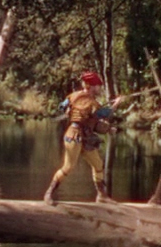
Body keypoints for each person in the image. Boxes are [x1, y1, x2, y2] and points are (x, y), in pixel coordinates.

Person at [43, 71, 118, 205]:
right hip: (74, 136)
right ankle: (49, 193)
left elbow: (63, 106)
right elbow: (104, 114)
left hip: (86, 137)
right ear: (91, 86)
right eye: (98, 86)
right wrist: (116, 104)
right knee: (68, 167)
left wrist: (67, 110)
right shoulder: (90, 101)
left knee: (98, 164)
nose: (99, 88)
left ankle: (101, 196)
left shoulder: (76, 97)